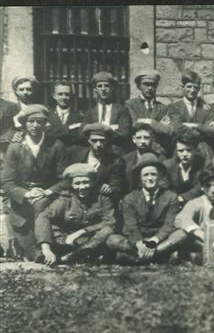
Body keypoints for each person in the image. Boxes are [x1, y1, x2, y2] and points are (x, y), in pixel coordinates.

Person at [2, 104, 67, 260]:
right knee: (23, 228)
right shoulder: (15, 147)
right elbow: (7, 181)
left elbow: (64, 178)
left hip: (49, 195)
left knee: (42, 206)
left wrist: (48, 191)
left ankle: (44, 249)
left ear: (46, 124)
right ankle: (38, 251)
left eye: (40, 121)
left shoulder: (56, 145)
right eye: (31, 121)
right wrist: (26, 193)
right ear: (25, 123)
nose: (35, 125)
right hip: (22, 198)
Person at [106, 153, 182, 264]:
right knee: (112, 240)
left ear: (159, 176)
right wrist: (140, 243)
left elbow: (169, 225)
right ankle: (158, 256)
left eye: (153, 174)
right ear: (139, 178)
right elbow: (131, 226)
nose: (150, 178)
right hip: (138, 239)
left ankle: (139, 257)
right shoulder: (130, 198)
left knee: (181, 234)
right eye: (145, 175)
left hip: (160, 239)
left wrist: (154, 241)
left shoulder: (171, 197)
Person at [34, 163, 115, 265]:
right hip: (67, 240)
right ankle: (74, 256)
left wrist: (83, 231)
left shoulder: (102, 198)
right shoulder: (65, 199)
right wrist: (46, 248)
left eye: (86, 182)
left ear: (93, 183)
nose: (81, 187)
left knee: (108, 230)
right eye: (77, 183)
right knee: (50, 227)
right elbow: (43, 217)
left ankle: (73, 256)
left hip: (91, 240)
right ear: (71, 185)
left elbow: (110, 221)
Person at [66, 123, 126, 204]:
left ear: (107, 141)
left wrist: (110, 187)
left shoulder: (116, 161)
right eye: (94, 141)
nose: (98, 144)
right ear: (88, 140)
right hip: (78, 201)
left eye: (102, 141)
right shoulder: (78, 156)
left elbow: (117, 183)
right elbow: (67, 180)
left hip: (102, 202)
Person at [82, 71, 132, 153]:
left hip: (115, 150)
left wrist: (96, 130)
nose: (103, 89)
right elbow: (83, 133)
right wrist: (112, 128)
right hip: (95, 150)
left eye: (107, 86)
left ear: (112, 88)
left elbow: (124, 132)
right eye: (100, 86)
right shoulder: (90, 112)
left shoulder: (122, 110)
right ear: (95, 89)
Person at [164, 130, 205, 208]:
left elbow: (202, 185)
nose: (184, 154)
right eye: (180, 151)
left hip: (196, 203)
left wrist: (183, 198)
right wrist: (175, 199)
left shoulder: (202, 164)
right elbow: (164, 186)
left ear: (195, 150)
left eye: (189, 150)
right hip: (172, 204)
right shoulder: (167, 166)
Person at [122, 122, 166, 192]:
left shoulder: (160, 158)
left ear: (152, 139)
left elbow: (163, 182)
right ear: (134, 139)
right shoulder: (126, 160)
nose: (142, 141)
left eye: (146, 138)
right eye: (139, 138)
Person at [45, 82, 85, 146]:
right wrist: (69, 128)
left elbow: (78, 136)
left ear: (71, 96)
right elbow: (48, 132)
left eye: (67, 94)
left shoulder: (79, 117)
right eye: (60, 94)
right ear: (54, 96)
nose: (64, 97)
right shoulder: (47, 115)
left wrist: (56, 130)